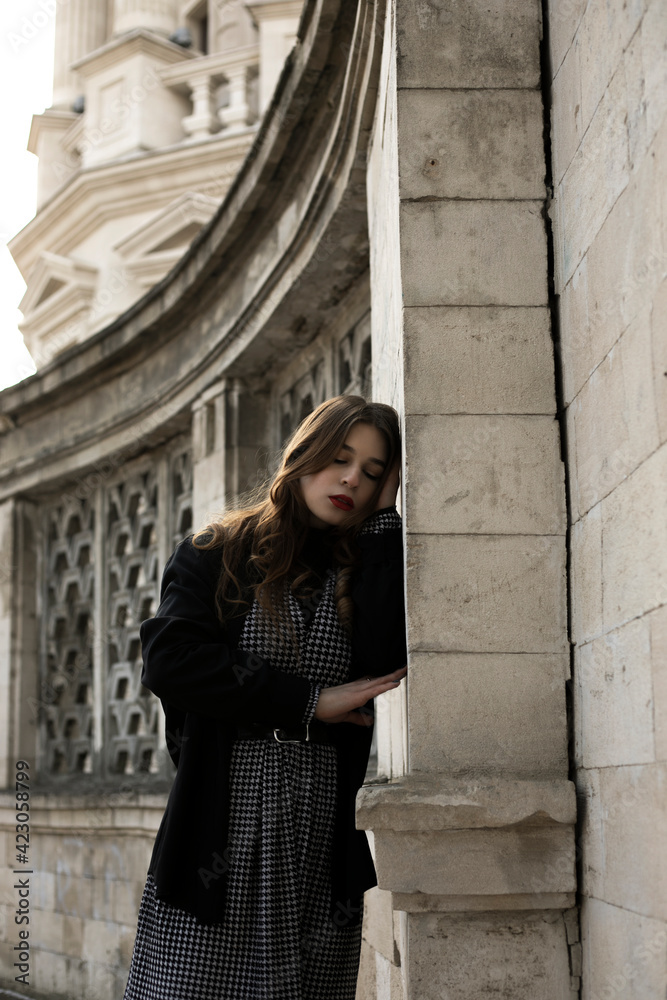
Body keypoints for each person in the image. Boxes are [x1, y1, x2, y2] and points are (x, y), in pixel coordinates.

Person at [122, 394, 408, 1000]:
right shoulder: (218, 552)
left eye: (373, 472)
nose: (352, 478)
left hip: (320, 836)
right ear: (305, 456)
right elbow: (171, 660)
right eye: (341, 458)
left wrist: (385, 518)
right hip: (221, 832)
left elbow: (385, 659)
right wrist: (307, 702)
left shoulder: (362, 569)